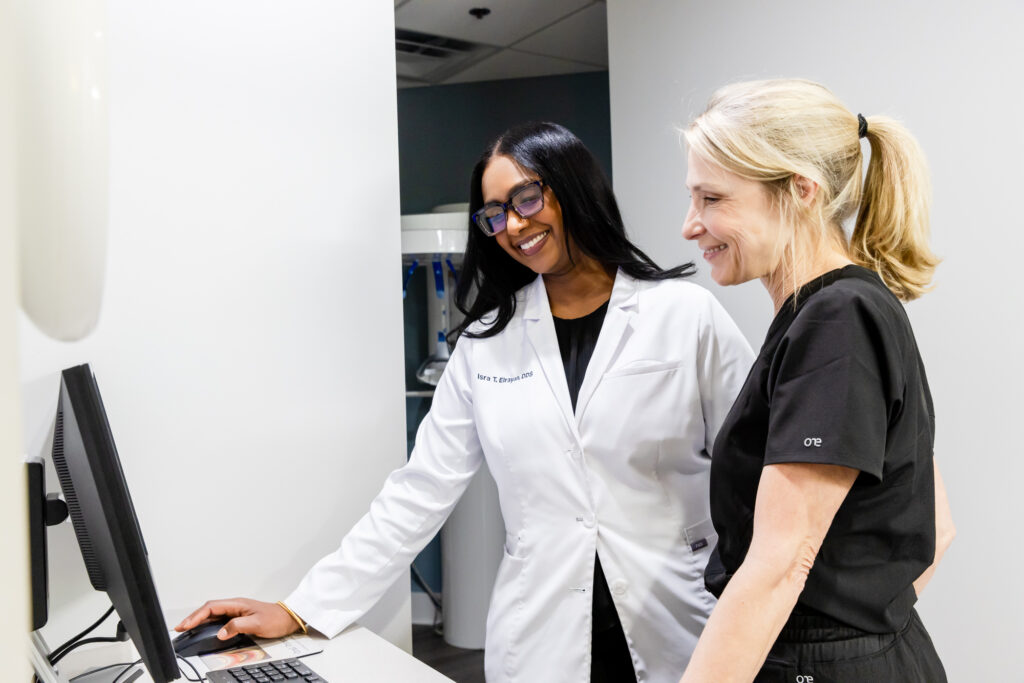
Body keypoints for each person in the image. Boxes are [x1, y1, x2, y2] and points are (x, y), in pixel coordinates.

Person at [176, 122, 753, 682]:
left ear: (573, 186)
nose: (512, 225)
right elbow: (420, 490)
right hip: (543, 637)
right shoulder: (486, 346)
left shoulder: (684, 316)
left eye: (526, 197)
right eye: (495, 212)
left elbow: (757, 472)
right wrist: (303, 608)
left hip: (679, 618)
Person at [676, 79, 955, 682]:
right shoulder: (842, 309)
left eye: (712, 199)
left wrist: (834, 647)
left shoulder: (838, 320)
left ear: (801, 190)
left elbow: (781, 563)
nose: (690, 226)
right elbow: (939, 527)